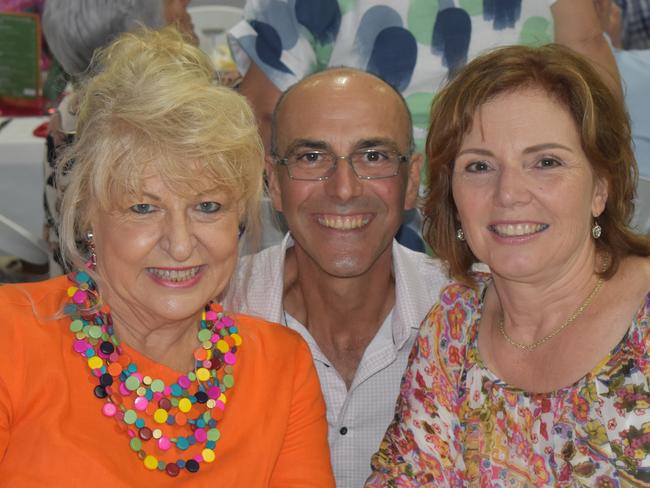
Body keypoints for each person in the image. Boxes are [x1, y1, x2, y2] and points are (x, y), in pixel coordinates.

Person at [0, 27, 334, 486]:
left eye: (207, 207)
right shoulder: (11, 338)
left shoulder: (280, 368)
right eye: (143, 208)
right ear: (86, 219)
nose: (180, 244)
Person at [365, 43, 650, 486]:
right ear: (452, 198)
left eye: (546, 162)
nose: (509, 193)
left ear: (600, 189)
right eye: (479, 166)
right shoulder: (454, 325)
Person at [223, 67, 448, 488]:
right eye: (312, 158)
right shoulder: (217, 308)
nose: (344, 189)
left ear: (412, 178)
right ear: (273, 180)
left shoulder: (467, 319)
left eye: (373, 157)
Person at [42, 0, 197, 276]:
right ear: (142, 35)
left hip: (75, 303)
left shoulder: (69, 114)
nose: (183, 6)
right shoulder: (157, 129)